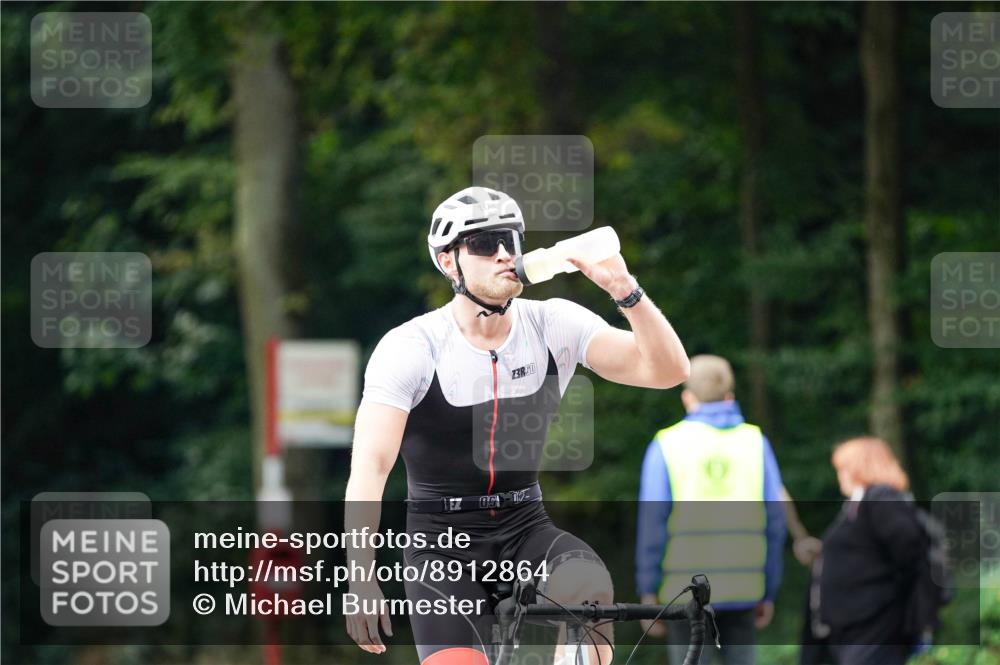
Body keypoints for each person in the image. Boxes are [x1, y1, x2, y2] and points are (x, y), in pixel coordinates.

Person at [344, 186, 690, 665]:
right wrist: (361, 577)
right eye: (485, 244)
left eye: (510, 240)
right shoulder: (412, 347)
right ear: (449, 262)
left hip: (525, 524)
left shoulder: (554, 324)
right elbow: (370, 469)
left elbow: (669, 372)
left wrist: (625, 291)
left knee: (590, 590)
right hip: (442, 544)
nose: (505, 254)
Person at [635, 354, 787, 665]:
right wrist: (769, 589)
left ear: (687, 398)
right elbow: (776, 521)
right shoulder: (756, 442)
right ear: (730, 397)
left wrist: (648, 591)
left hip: (684, 592)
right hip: (745, 589)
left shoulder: (666, 444)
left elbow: (652, 525)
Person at [816, 436, 927, 665]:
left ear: (860, 467)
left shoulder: (881, 498)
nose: (839, 475)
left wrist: (885, 601)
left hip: (876, 626)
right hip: (857, 627)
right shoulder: (859, 505)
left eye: (843, 468)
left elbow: (910, 553)